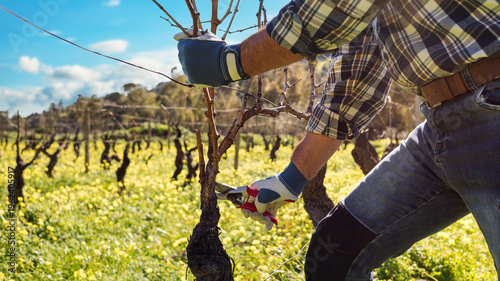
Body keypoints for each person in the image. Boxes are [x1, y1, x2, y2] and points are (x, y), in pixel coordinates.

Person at [176, 0, 500, 280]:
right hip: (439, 128)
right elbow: (355, 83)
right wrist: (289, 181)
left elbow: (331, 10)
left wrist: (229, 62)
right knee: (333, 258)